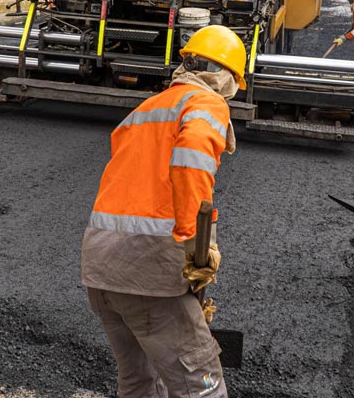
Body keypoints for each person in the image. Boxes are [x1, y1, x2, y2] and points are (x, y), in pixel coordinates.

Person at [81, 25, 246, 398]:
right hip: (148, 273)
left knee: (139, 379)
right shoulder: (205, 103)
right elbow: (191, 162)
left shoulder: (145, 109)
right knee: (202, 382)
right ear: (225, 77)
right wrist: (197, 248)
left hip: (100, 267)